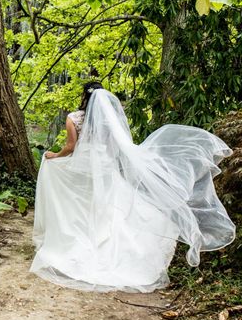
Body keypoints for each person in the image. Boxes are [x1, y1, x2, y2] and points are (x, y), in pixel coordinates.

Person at [30, 82, 235, 292]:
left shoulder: (73, 118)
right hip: (104, 166)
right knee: (108, 205)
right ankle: (104, 244)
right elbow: (114, 147)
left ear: (85, 96)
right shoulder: (109, 120)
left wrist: (54, 156)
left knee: (77, 201)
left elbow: (71, 147)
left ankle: (75, 240)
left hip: (83, 166)